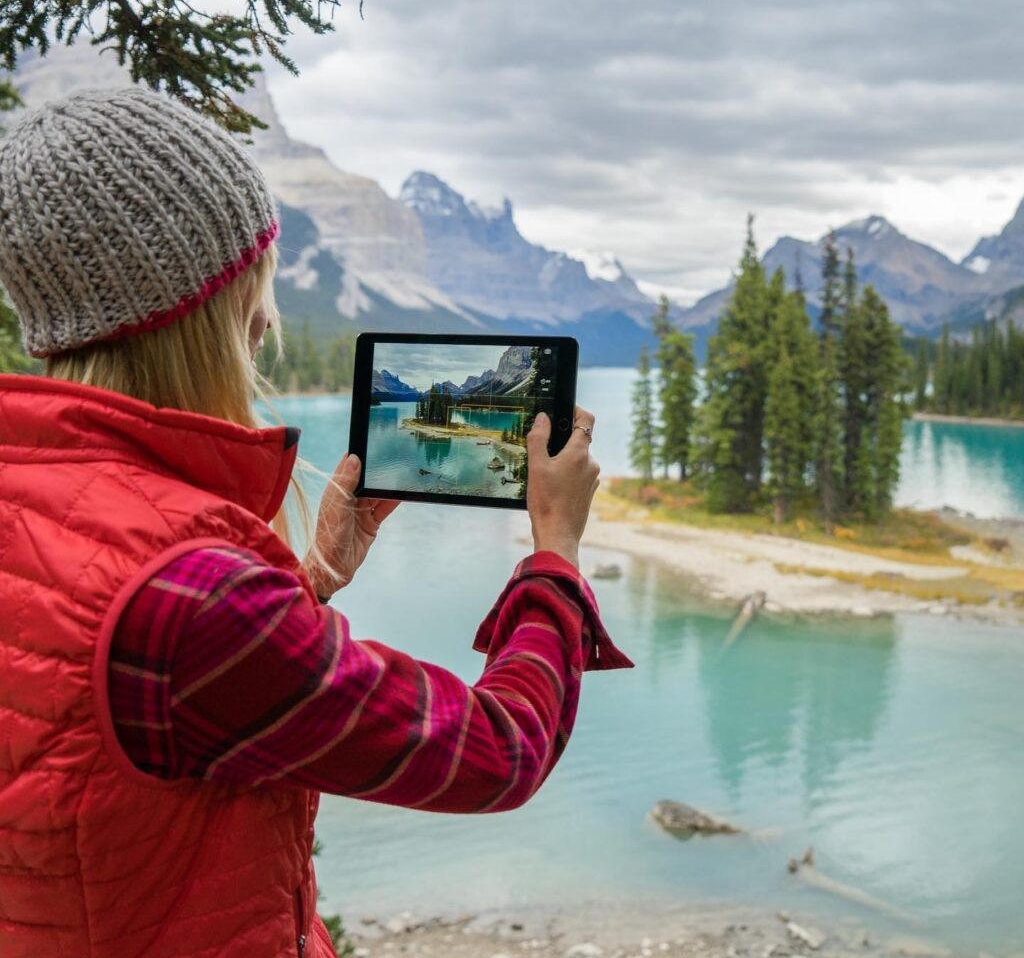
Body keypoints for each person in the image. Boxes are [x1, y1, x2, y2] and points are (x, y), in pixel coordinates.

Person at [0, 87, 632, 958]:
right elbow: (499, 752)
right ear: (209, 311)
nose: (267, 320)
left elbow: (108, 681)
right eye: (255, 288)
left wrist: (309, 578)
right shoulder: (199, 604)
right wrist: (555, 555)